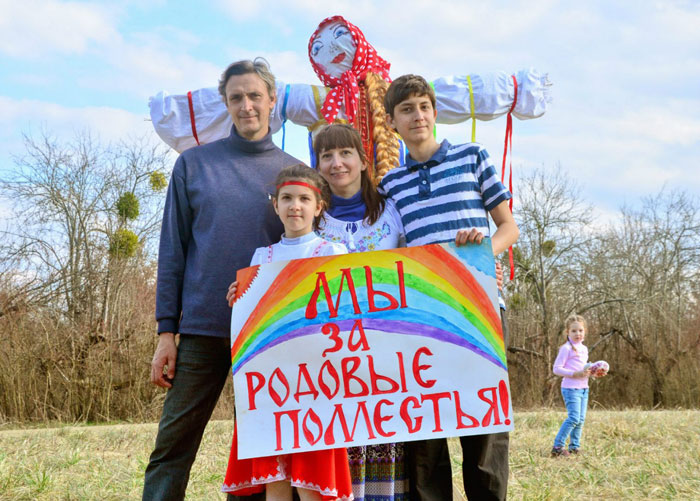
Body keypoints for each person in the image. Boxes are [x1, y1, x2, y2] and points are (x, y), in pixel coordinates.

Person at [143, 58, 300, 501]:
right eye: (236, 98)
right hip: (202, 327)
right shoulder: (193, 165)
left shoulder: (293, 174)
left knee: (261, 449)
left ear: (272, 101)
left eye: (255, 96)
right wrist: (165, 333)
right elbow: (172, 251)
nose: (247, 105)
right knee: (172, 446)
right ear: (226, 105)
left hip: (269, 333)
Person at [378, 74, 519, 501]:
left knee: (484, 434)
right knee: (424, 435)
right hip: (422, 321)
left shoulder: (473, 157)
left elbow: (508, 227)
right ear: (392, 122)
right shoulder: (390, 185)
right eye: (406, 109)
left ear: (435, 113)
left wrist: (480, 259)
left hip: (478, 311)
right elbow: (392, 251)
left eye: (423, 106)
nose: (417, 116)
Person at [222, 164, 352, 501]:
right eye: (287, 198)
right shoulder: (262, 258)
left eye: (304, 199)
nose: (296, 205)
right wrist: (239, 300)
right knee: (275, 481)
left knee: (312, 483)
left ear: (318, 206)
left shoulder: (333, 254)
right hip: (273, 386)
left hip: (318, 385)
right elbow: (252, 321)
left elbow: (348, 314)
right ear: (276, 205)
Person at [313, 123, 408, 500]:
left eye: (345, 153)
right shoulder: (311, 216)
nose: (337, 163)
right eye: (327, 156)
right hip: (330, 357)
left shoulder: (392, 213)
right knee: (338, 442)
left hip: (388, 353)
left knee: (384, 438)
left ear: (364, 161)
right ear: (317, 165)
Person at [551, 314, 607, 457]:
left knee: (580, 420)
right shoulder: (566, 349)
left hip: (584, 389)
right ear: (567, 332)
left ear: (585, 332)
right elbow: (556, 369)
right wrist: (574, 374)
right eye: (574, 331)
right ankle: (557, 447)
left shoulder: (584, 349)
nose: (578, 334)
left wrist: (594, 372)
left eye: (580, 330)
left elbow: (584, 369)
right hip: (570, 388)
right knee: (574, 418)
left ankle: (574, 447)